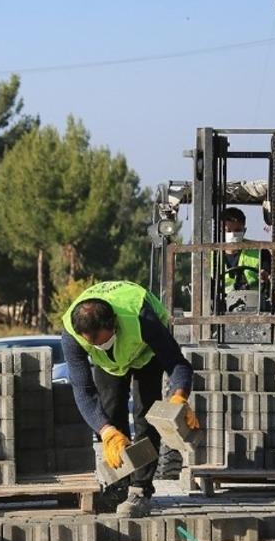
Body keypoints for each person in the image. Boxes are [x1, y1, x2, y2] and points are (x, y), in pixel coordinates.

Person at [61, 280, 199, 516]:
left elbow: (177, 363)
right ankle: (119, 486)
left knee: (146, 416)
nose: (102, 346)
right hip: (111, 367)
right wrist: (105, 431)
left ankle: (140, 490)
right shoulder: (72, 334)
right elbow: (83, 389)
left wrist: (179, 396)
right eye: (96, 344)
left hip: (146, 354)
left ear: (114, 323)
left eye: (105, 340)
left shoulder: (142, 317)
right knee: (110, 415)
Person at [219, 207, 262, 293]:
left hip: (254, 303)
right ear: (220, 231)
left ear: (244, 230)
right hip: (220, 303)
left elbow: (270, 278)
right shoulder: (209, 257)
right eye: (228, 231)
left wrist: (264, 276)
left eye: (237, 230)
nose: (232, 234)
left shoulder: (261, 253)